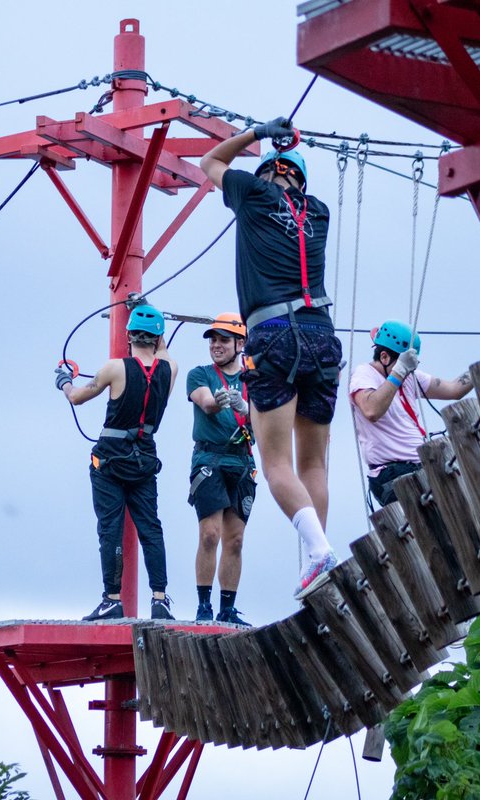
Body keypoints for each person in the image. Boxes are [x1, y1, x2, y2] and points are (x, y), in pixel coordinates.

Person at [201, 118, 343, 600]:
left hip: (274, 335)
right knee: (314, 465)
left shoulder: (252, 195)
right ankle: (314, 563)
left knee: (276, 462)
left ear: (264, 173)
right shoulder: (319, 212)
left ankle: (320, 553)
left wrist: (256, 134)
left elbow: (211, 162)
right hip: (323, 336)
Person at [55, 303, 179, 621]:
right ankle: (160, 599)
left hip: (110, 458)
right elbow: (161, 351)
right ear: (158, 337)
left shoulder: (115, 368)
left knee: (110, 528)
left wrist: (64, 381)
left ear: (127, 335)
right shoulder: (170, 369)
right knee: (150, 527)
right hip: (144, 458)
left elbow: (77, 397)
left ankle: (112, 599)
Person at [349, 320, 474, 506]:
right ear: (384, 357)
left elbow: (454, 390)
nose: (411, 370)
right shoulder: (364, 374)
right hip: (391, 474)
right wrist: (400, 371)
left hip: (419, 466)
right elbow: (371, 409)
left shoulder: (406, 375)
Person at [186, 313, 256, 626]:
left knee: (236, 539)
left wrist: (246, 407)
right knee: (210, 534)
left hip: (241, 461)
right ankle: (204, 606)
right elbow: (205, 403)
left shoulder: (255, 379)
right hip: (209, 460)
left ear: (239, 344)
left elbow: (268, 420)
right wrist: (220, 400)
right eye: (213, 339)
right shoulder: (199, 374)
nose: (216, 345)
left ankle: (228, 609)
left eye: (223, 339)